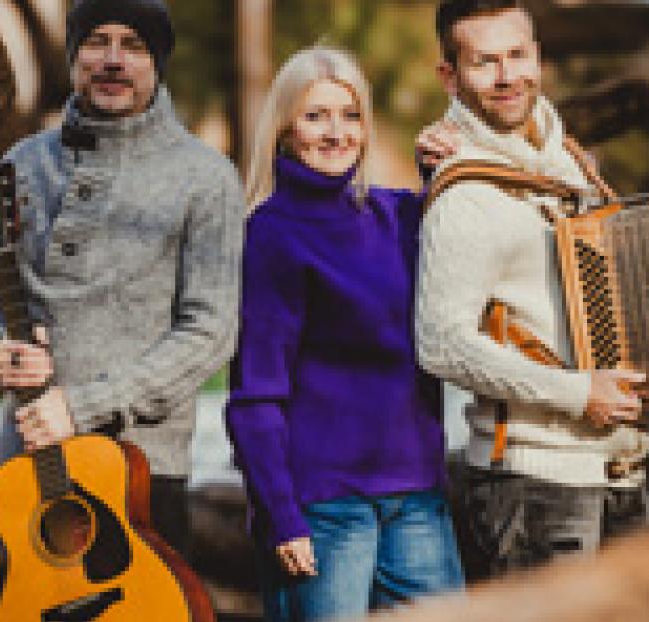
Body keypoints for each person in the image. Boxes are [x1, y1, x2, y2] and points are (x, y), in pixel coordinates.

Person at [0, 0, 244, 557]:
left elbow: (209, 332)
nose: (113, 60)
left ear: (157, 63)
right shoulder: (23, 163)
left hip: (141, 471)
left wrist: (82, 407)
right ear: (73, 57)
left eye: (134, 45)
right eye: (96, 41)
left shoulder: (205, 177)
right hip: (28, 467)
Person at [414, 0, 649, 580]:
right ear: (450, 76)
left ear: (538, 57)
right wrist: (577, 393)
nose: (506, 76)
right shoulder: (465, 197)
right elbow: (440, 343)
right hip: (535, 484)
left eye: (517, 55)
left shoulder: (568, 160)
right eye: (483, 62)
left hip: (621, 470)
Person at [225, 47, 463, 622]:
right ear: (284, 129)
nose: (337, 133)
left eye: (350, 115)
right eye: (316, 116)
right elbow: (255, 394)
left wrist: (444, 168)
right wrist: (281, 514)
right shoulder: (272, 235)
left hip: (418, 499)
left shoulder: (399, 216)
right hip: (324, 508)